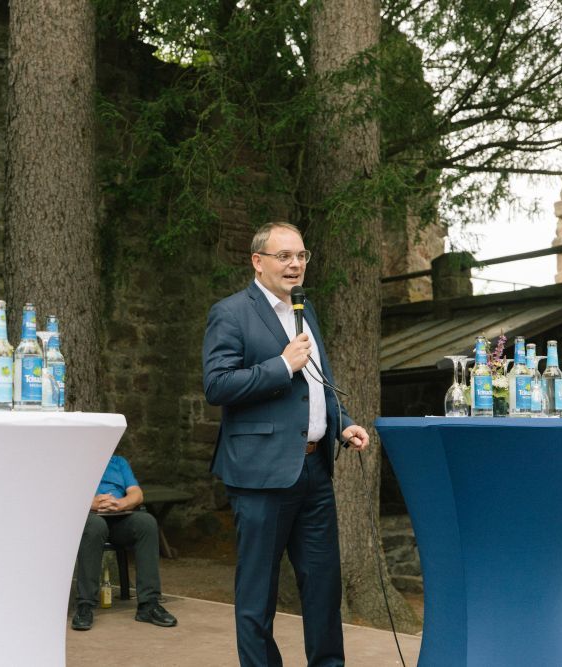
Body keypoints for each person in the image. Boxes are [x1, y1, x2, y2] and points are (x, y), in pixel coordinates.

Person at [202, 222, 370, 667]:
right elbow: (217, 385)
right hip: (260, 474)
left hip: (314, 472)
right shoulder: (232, 312)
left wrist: (342, 424)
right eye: (284, 256)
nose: (295, 264)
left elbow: (317, 384)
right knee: (258, 595)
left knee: (323, 589)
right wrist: (279, 365)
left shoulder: (304, 309)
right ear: (258, 262)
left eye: (301, 255)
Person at [70, 454, 177, 631]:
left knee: (147, 523)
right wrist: (92, 503)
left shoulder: (118, 462)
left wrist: (121, 503)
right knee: (95, 526)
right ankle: (85, 605)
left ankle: (148, 604)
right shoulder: (75, 460)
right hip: (90, 518)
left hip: (119, 517)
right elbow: (65, 493)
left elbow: (137, 493)